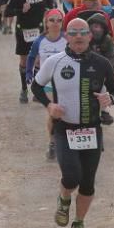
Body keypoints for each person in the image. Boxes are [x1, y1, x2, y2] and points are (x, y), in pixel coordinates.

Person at [31, 18, 114, 228]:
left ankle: (79, 223)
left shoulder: (102, 64)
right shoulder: (55, 61)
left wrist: (108, 99)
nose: (79, 37)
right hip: (65, 129)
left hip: (92, 129)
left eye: (83, 32)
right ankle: (64, 200)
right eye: (74, 33)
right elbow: (36, 85)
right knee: (71, 177)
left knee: (88, 182)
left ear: (90, 36)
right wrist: (49, 105)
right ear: (67, 37)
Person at [5, 0, 54, 103]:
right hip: (23, 31)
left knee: (39, 60)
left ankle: (36, 90)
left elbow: (52, 8)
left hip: (40, 30)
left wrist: (49, 15)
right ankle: (24, 89)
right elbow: (7, 12)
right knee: (25, 61)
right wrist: (21, 10)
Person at [25, 8, 68, 160]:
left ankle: (66, 140)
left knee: (66, 113)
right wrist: (29, 72)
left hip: (67, 83)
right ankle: (52, 142)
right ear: (46, 23)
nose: (55, 23)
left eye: (59, 20)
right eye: (52, 20)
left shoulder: (68, 39)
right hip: (48, 83)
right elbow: (31, 57)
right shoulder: (40, 41)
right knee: (53, 113)